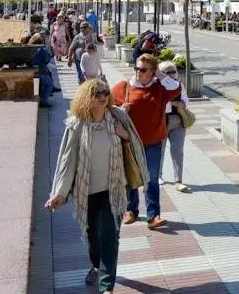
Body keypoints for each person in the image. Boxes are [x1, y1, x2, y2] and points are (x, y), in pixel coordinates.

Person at [46, 78, 146, 293]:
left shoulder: (118, 117)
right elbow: (68, 161)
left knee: (110, 235)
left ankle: (106, 286)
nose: (103, 97)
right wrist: (60, 194)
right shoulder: (77, 125)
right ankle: (96, 265)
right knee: (93, 236)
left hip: (115, 188)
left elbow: (135, 145)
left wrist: (124, 136)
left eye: (105, 93)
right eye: (97, 93)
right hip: (87, 191)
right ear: (86, 98)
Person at [110, 54, 181, 229]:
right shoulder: (124, 87)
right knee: (131, 177)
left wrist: (160, 75)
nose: (138, 72)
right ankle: (131, 210)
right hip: (130, 142)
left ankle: (153, 216)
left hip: (153, 142)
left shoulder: (160, 89)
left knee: (152, 179)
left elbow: (177, 88)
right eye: (136, 68)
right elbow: (107, 107)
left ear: (152, 72)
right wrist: (120, 110)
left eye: (143, 69)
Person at [159, 61, 190, 193]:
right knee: (159, 150)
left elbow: (185, 102)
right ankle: (158, 175)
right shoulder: (157, 86)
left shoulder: (179, 85)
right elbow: (162, 105)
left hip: (178, 121)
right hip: (161, 122)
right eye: (167, 72)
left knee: (177, 151)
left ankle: (179, 180)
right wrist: (174, 102)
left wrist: (175, 103)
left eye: (173, 71)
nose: (171, 74)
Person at [30, 33, 55, 108]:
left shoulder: (30, 48)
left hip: (32, 71)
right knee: (49, 84)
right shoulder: (42, 49)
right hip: (41, 71)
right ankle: (44, 102)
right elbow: (47, 60)